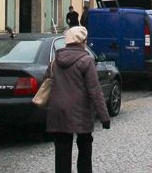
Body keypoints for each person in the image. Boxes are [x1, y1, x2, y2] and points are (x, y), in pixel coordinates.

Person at [47, 26, 110, 173]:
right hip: (80, 112)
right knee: (85, 151)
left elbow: (48, 81)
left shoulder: (56, 60)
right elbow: (95, 90)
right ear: (82, 42)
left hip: (58, 112)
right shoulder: (86, 61)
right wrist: (104, 117)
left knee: (62, 154)